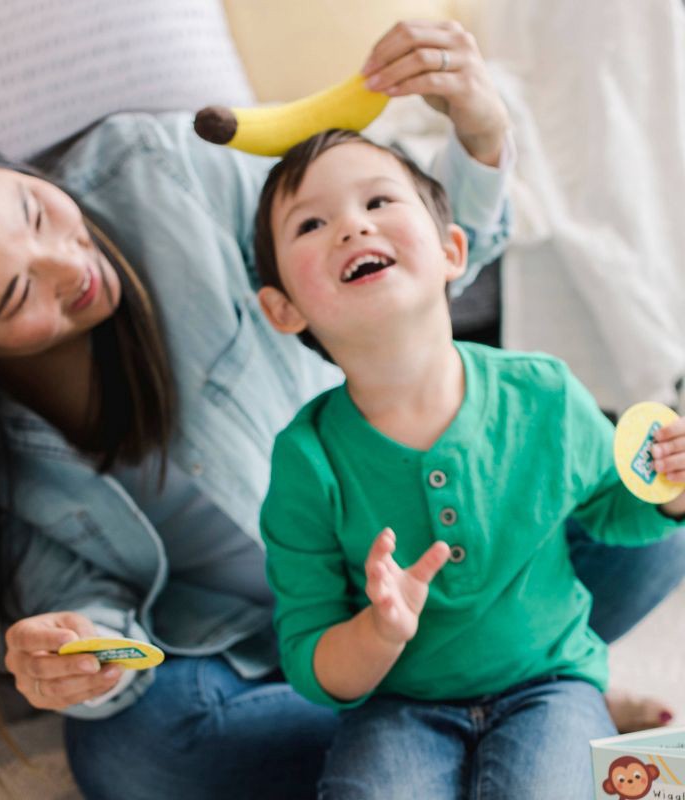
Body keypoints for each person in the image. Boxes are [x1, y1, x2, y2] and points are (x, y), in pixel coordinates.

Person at [0, 19, 679, 800]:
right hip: (261, 649)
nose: (70, 263)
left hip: (458, 585)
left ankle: (510, 709)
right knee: (138, 755)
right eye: (18, 294)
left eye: (33, 209)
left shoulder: (161, 173)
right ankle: (523, 715)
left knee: (654, 516)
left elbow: (386, 258)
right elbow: (87, 611)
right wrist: (78, 653)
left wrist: (480, 130)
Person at [253, 128, 685, 800]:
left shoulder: (543, 392)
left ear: (454, 249)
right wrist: (377, 631)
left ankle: (607, 734)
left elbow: (617, 514)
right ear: (283, 308)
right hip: (397, 706)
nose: (350, 227)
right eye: (311, 221)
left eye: (378, 201)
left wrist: (670, 493)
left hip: (550, 683)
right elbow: (312, 663)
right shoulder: (306, 461)